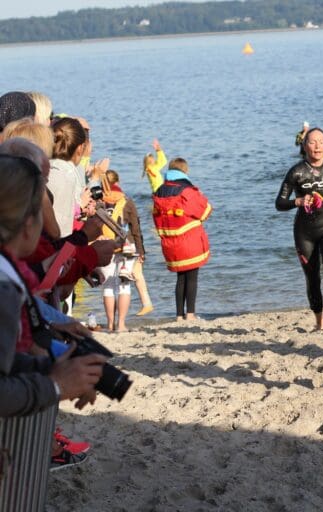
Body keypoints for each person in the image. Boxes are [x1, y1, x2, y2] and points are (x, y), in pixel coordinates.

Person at [0, 154, 106, 502]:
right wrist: (55, 384)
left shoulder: (8, 275)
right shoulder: (4, 286)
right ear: (29, 224)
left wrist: (53, 368)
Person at [275, 127, 323, 330]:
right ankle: (319, 322)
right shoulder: (296, 172)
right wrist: (298, 201)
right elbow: (279, 203)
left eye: (321, 142)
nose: (317, 146)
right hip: (305, 231)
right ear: (304, 146)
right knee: (311, 276)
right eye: (312, 142)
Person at [152, 157, 213, 321]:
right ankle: (191, 314)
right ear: (184, 171)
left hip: (170, 242)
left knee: (180, 279)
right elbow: (206, 210)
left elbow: (156, 218)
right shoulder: (187, 191)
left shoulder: (159, 191)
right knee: (192, 278)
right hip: (189, 239)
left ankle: (179, 315)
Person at [97, 170, 146, 332]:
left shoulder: (98, 202)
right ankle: (121, 324)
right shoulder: (126, 201)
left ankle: (110, 324)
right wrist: (141, 251)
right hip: (127, 247)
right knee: (124, 286)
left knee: (108, 286)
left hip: (105, 246)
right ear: (118, 182)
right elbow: (136, 228)